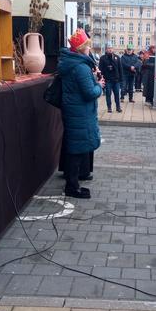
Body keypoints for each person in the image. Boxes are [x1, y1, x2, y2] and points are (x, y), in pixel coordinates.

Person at [58, 29, 104, 199]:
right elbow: (89, 93)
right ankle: (72, 186)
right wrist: (99, 85)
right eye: (87, 46)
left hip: (74, 110)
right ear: (82, 48)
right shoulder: (81, 67)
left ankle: (73, 182)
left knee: (75, 148)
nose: (89, 49)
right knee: (76, 150)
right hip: (80, 112)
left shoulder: (72, 64)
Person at [98, 43, 123, 113]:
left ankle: (118, 107)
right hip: (108, 80)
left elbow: (120, 69)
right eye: (108, 48)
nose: (110, 49)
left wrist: (121, 79)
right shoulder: (103, 58)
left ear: (113, 49)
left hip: (116, 80)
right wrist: (101, 78)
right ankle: (109, 107)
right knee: (108, 94)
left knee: (117, 94)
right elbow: (100, 69)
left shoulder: (117, 57)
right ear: (106, 49)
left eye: (111, 48)